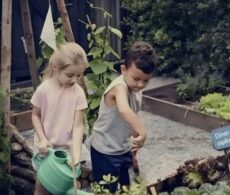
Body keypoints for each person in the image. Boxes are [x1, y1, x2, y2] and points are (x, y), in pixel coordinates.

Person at [89, 41, 157, 191]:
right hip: (105, 151)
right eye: (136, 79)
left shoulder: (137, 88)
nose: (140, 85)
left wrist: (134, 146)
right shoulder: (119, 87)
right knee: (106, 190)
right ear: (123, 70)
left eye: (146, 80)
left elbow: (131, 117)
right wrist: (143, 132)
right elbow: (125, 111)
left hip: (122, 148)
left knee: (126, 187)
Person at [31, 42, 89, 194]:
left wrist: (75, 154)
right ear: (56, 68)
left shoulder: (78, 93)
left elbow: (78, 126)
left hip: (68, 150)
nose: (75, 80)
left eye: (79, 75)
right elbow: (35, 115)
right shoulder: (44, 89)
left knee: (68, 187)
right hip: (46, 148)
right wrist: (42, 138)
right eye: (70, 75)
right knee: (42, 187)